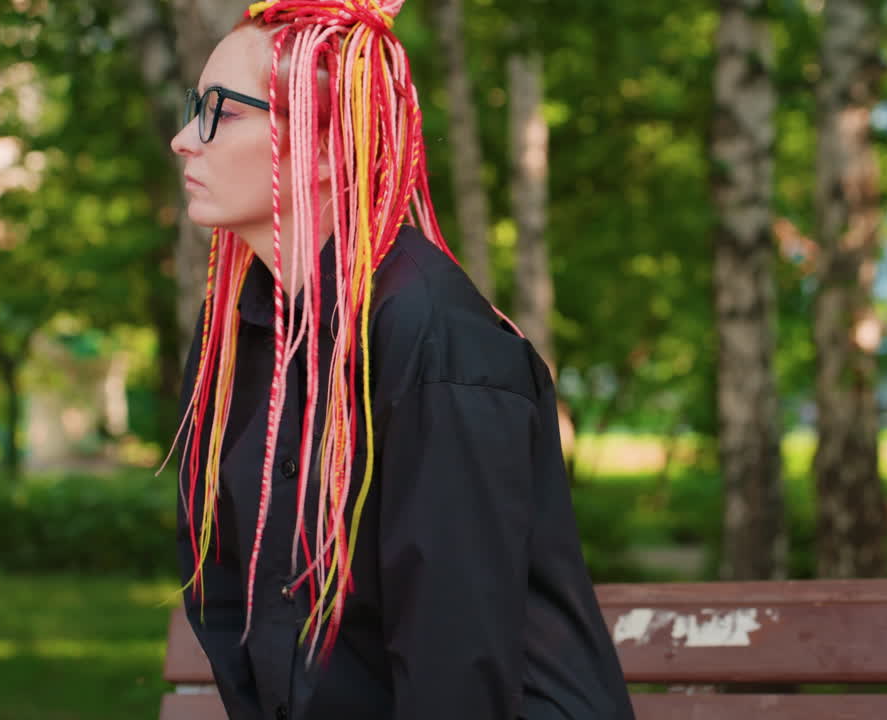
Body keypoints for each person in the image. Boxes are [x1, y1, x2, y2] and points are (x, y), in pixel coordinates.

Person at [165, 2, 635, 719]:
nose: (181, 140)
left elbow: (456, 655)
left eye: (219, 113)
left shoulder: (434, 336)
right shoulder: (236, 334)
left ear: (323, 148)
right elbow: (228, 595)